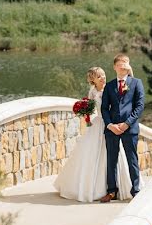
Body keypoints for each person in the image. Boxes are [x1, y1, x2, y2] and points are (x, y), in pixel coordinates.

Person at [54, 67, 133, 202]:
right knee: (92, 153)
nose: (103, 78)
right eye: (99, 76)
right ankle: (96, 188)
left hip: (112, 124)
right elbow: (91, 108)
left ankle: (119, 187)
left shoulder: (111, 87)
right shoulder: (93, 91)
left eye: (103, 75)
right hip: (98, 124)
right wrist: (85, 112)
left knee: (115, 154)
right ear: (93, 80)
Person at [100, 54, 144, 203]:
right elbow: (104, 108)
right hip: (112, 129)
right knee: (111, 160)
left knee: (132, 159)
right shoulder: (109, 86)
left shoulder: (136, 83)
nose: (122, 66)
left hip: (129, 128)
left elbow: (139, 107)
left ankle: (136, 190)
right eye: (119, 64)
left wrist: (127, 123)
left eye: (125, 63)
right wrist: (110, 124)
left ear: (129, 66)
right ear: (114, 67)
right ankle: (111, 191)